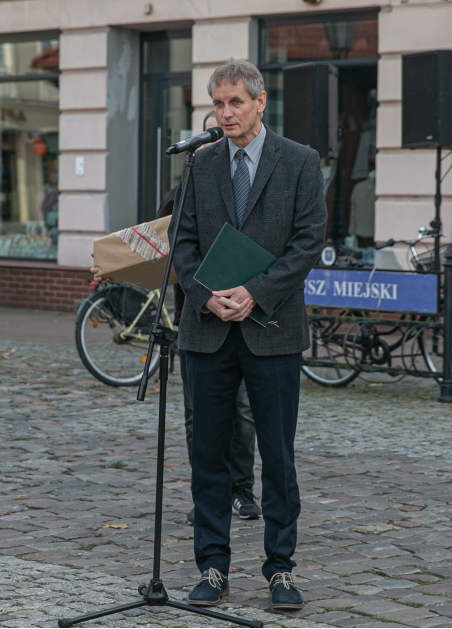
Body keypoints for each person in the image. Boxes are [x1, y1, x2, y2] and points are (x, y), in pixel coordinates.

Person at [171, 59, 326, 611]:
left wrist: (256, 292)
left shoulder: (301, 162)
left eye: (235, 101)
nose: (225, 112)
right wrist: (204, 294)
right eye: (217, 103)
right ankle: (212, 566)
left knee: (277, 457)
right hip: (207, 330)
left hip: (272, 329)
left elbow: (308, 243)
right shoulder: (200, 164)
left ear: (260, 103)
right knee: (207, 455)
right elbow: (181, 243)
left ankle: (280, 569)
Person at [160, 113, 261, 527]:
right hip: (198, 317)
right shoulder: (189, 182)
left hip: (246, 313)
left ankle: (241, 489)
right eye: (208, 134)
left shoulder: (248, 183)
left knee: (241, 410)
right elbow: (165, 233)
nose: (213, 140)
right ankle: (208, 492)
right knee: (198, 414)